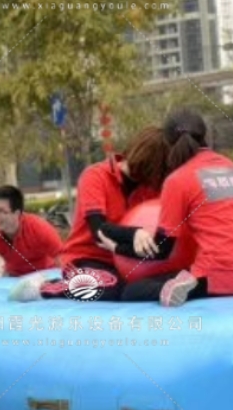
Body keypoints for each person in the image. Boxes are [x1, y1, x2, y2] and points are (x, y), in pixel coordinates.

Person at [105, 110, 233, 306]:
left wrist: (117, 248)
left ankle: (177, 288)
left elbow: (162, 250)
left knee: (130, 292)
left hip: (216, 278)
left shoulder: (178, 180)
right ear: (204, 135)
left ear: (168, 145)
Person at [11, 127, 168, 302]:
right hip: (86, 259)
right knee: (111, 288)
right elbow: (98, 231)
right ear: (150, 164)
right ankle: (45, 287)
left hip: (125, 262)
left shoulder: (150, 189)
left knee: (134, 290)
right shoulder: (95, 176)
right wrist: (135, 233)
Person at [0, 185, 63, 277]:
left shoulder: (40, 228)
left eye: (1, 211)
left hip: (45, 273)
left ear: (17, 213)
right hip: (13, 275)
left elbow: (63, 263)